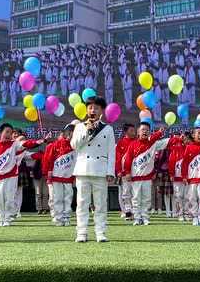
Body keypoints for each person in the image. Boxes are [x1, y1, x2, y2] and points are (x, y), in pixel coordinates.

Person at [0, 123, 48, 227]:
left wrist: (40, 141)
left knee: (9, 198)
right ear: (0, 133)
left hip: (12, 176)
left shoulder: (14, 144)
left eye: (10, 132)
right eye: (6, 132)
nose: (9, 134)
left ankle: (7, 219)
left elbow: (27, 144)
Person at [71, 96, 116, 243]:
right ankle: (82, 232)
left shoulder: (108, 129)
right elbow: (74, 145)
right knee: (82, 203)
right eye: (90, 107)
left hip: (100, 170)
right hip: (83, 170)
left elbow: (111, 152)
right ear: (86, 110)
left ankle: (100, 232)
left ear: (101, 111)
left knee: (100, 204)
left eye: (96, 108)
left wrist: (110, 172)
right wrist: (87, 131)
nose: (93, 110)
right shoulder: (79, 127)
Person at [122, 122, 168, 226]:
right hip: (135, 178)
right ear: (138, 132)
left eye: (147, 130)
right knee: (136, 198)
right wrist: (127, 173)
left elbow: (155, 138)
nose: (145, 132)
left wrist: (160, 132)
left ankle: (145, 217)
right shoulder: (132, 145)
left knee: (146, 198)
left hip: (147, 178)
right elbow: (128, 160)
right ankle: (137, 218)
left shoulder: (151, 143)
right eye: (143, 130)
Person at [43, 124, 76, 227]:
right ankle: (58, 217)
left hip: (68, 177)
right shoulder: (55, 145)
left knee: (68, 197)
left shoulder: (76, 146)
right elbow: (48, 159)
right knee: (57, 198)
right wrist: (48, 172)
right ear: (69, 133)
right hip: (56, 176)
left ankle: (66, 216)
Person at [167, 132, 191, 222]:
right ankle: (180, 214)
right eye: (184, 138)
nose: (186, 140)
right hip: (177, 177)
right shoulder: (176, 148)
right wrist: (172, 174)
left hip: (188, 177)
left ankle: (187, 213)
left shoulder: (192, 149)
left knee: (187, 196)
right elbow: (171, 161)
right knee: (178, 196)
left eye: (188, 138)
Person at [116, 123, 136, 220]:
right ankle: (127, 211)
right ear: (126, 132)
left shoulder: (137, 142)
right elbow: (118, 158)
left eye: (134, 130)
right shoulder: (121, 143)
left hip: (136, 173)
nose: (134, 132)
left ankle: (135, 211)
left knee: (135, 193)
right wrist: (119, 170)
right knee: (125, 192)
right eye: (131, 130)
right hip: (124, 173)